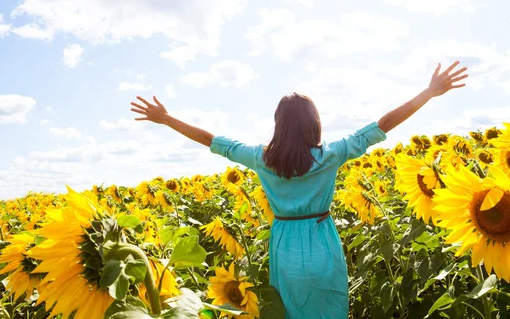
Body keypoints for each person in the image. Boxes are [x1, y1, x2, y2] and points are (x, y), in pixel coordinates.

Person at [130, 61, 468, 319]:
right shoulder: (331, 155)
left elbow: (213, 141)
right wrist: (429, 92)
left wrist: (167, 118)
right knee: (328, 304)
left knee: (290, 309)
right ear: (314, 123)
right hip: (321, 237)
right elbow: (383, 125)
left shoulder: (262, 159)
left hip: (284, 242)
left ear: (278, 124)